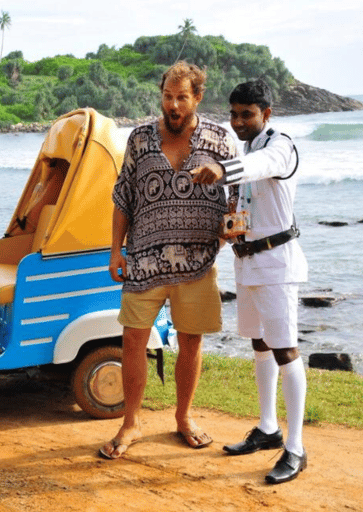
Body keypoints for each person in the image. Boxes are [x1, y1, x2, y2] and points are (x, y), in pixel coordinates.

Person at [100, 61, 236, 459]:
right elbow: (123, 196)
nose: (173, 105)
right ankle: (131, 423)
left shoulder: (218, 138)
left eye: (181, 97)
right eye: (167, 96)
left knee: (191, 342)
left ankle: (183, 417)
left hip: (197, 261)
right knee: (132, 341)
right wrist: (115, 249)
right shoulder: (140, 139)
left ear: (197, 98)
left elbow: (236, 195)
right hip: (144, 258)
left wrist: (230, 231)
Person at [190, 79, 308, 484]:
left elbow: (265, 168)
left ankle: (295, 448)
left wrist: (222, 169)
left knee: (286, 351)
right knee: (260, 345)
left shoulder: (281, 146)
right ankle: (269, 428)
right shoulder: (247, 149)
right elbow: (247, 199)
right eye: (234, 114)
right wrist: (232, 227)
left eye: (247, 114)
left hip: (277, 264)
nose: (238, 122)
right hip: (248, 261)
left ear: (267, 114)